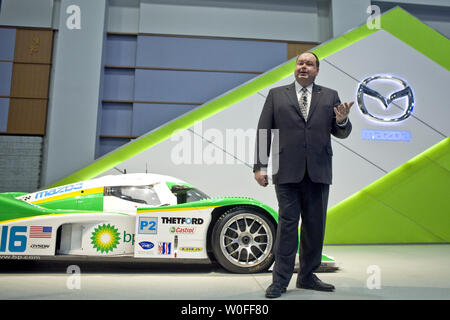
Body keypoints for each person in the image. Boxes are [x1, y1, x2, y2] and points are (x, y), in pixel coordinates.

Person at [253, 52, 353, 298]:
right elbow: (264, 130)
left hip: (319, 171)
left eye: (309, 64)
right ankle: (279, 281)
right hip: (287, 171)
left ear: (317, 70)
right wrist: (259, 166)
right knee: (288, 227)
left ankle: (307, 276)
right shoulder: (277, 95)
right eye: (300, 63)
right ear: (295, 68)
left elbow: (341, 132)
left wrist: (342, 121)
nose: (304, 67)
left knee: (314, 227)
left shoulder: (330, 96)